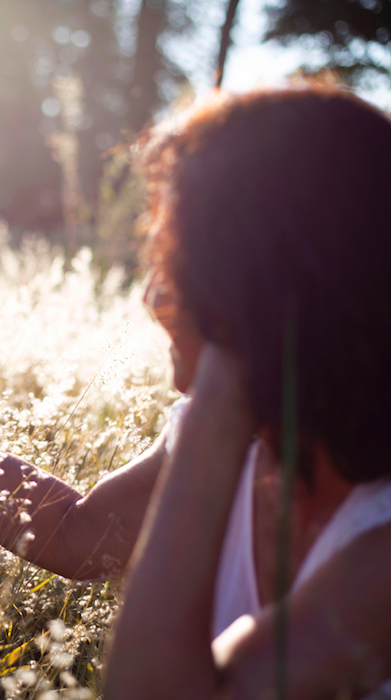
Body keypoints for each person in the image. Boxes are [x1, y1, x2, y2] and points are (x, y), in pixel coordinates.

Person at [104, 85, 391, 699]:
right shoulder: (245, 449)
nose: (151, 297)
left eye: (178, 263)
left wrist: (226, 388)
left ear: (260, 288)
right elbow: (76, 534)